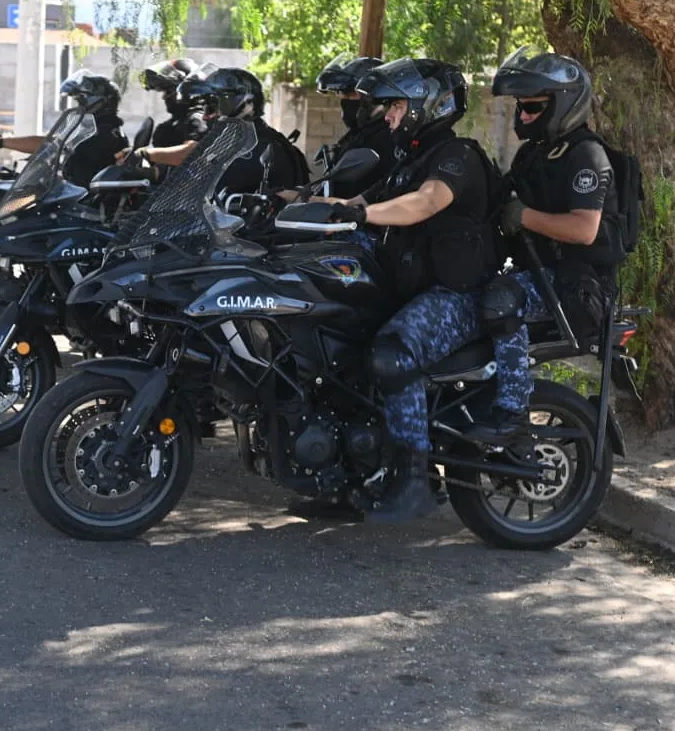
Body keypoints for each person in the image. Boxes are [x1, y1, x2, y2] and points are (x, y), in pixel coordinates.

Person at [323, 58, 500, 522]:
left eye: (397, 105)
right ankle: (351, 475)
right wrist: (294, 205)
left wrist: (363, 215)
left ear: (427, 105)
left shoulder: (455, 156)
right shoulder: (409, 159)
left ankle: (415, 482)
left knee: (393, 354)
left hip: (457, 297)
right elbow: (358, 202)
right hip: (415, 291)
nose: (389, 115)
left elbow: (423, 204)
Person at [465, 48, 618, 444]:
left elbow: (585, 229)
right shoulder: (534, 154)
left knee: (502, 300)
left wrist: (523, 216)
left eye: (533, 104)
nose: (524, 112)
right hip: (540, 271)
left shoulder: (587, 155)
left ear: (563, 104)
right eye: (521, 104)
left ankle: (513, 414)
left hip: (576, 284)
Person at [173, 67, 309, 192]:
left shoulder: (258, 147)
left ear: (243, 104)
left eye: (213, 107)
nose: (205, 116)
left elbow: (207, 181)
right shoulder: (238, 142)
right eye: (206, 108)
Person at [0, 70, 128, 188]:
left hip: (80, 209)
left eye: (82, 102)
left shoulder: (103, 134)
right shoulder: (98, 129)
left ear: (101, 103)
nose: (79, 107)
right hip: (74, 198)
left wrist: (1, 143)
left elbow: (52, 145)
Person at [313, 54, 403, 199]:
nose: (344, 101)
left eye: (350, 95)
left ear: (374, 97)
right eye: (342, 95)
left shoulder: (387, 138)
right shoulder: (358, 135)